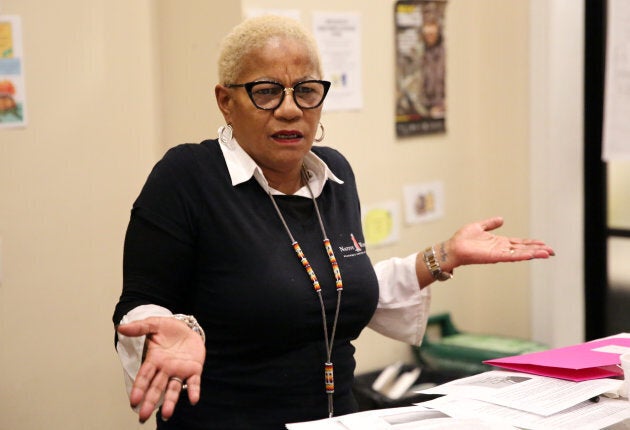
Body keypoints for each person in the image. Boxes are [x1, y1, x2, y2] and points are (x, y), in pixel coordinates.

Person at [112, 15, 555, 429]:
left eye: (305, 90)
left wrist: (443, 256)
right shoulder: (188, 175)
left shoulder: (333, 175)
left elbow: (335, 287)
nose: (289, 109)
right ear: (226, 101)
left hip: (340, 418)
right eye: (266, 91)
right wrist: (167, 332)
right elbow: (141, 304)